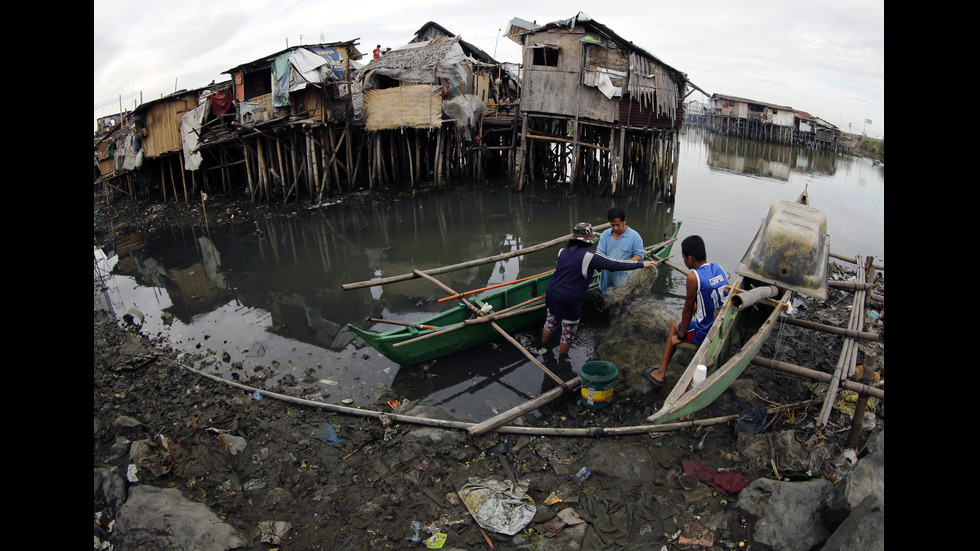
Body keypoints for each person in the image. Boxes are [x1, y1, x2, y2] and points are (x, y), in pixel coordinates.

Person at [542, 222, 658, 355]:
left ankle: (544, 349)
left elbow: (570, 269)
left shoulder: (562, 251)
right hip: (569, 298)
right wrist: (641, 263)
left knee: (550, 322)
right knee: (567, 333)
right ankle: (562, 363)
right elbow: (615, 264)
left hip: (551, 292)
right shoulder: (591, 256)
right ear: (588, 240)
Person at [643, 235, 728, 388]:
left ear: (689, 258)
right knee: (681, 323)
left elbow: (687, 310)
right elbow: (710, 297)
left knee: (675, 327)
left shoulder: (693, 277)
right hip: (720, 324)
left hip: (705, 333)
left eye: (683, 257)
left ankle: (660, 373)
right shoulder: (718, 268)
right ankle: (662, 369)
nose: (683, 260)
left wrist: (681, 336)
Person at [596, 207, 645, 292]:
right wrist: (607, 264)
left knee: (622, 301)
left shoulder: (634, 236)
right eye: (612, 225)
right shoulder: (605, 234)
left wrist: (621, 265)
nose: (615, 228)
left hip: (624, 281)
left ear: (624, 221)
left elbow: (639, 256)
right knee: (604, 300)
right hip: (606, 280)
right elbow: (599, 254)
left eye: (618, 224)